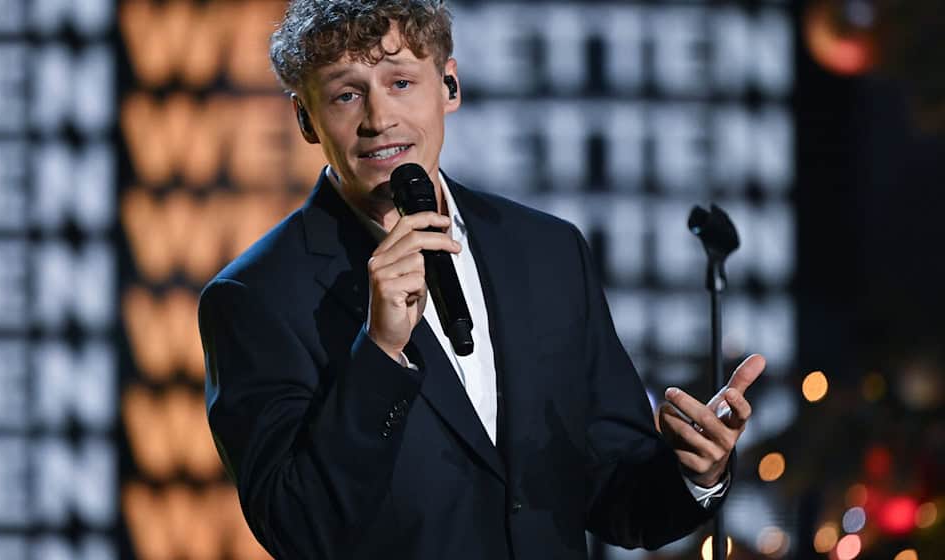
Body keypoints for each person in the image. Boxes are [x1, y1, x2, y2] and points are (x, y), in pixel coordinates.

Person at [197, 1, 766, 558]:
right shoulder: (255, 297)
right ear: (305, 118)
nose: (379, 119)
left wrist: (695, 472)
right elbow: (297, 528)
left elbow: (616, 493)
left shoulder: (547, 252)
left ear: (449, 85)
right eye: (347, 94)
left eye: (401, 83)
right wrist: (380, 352)